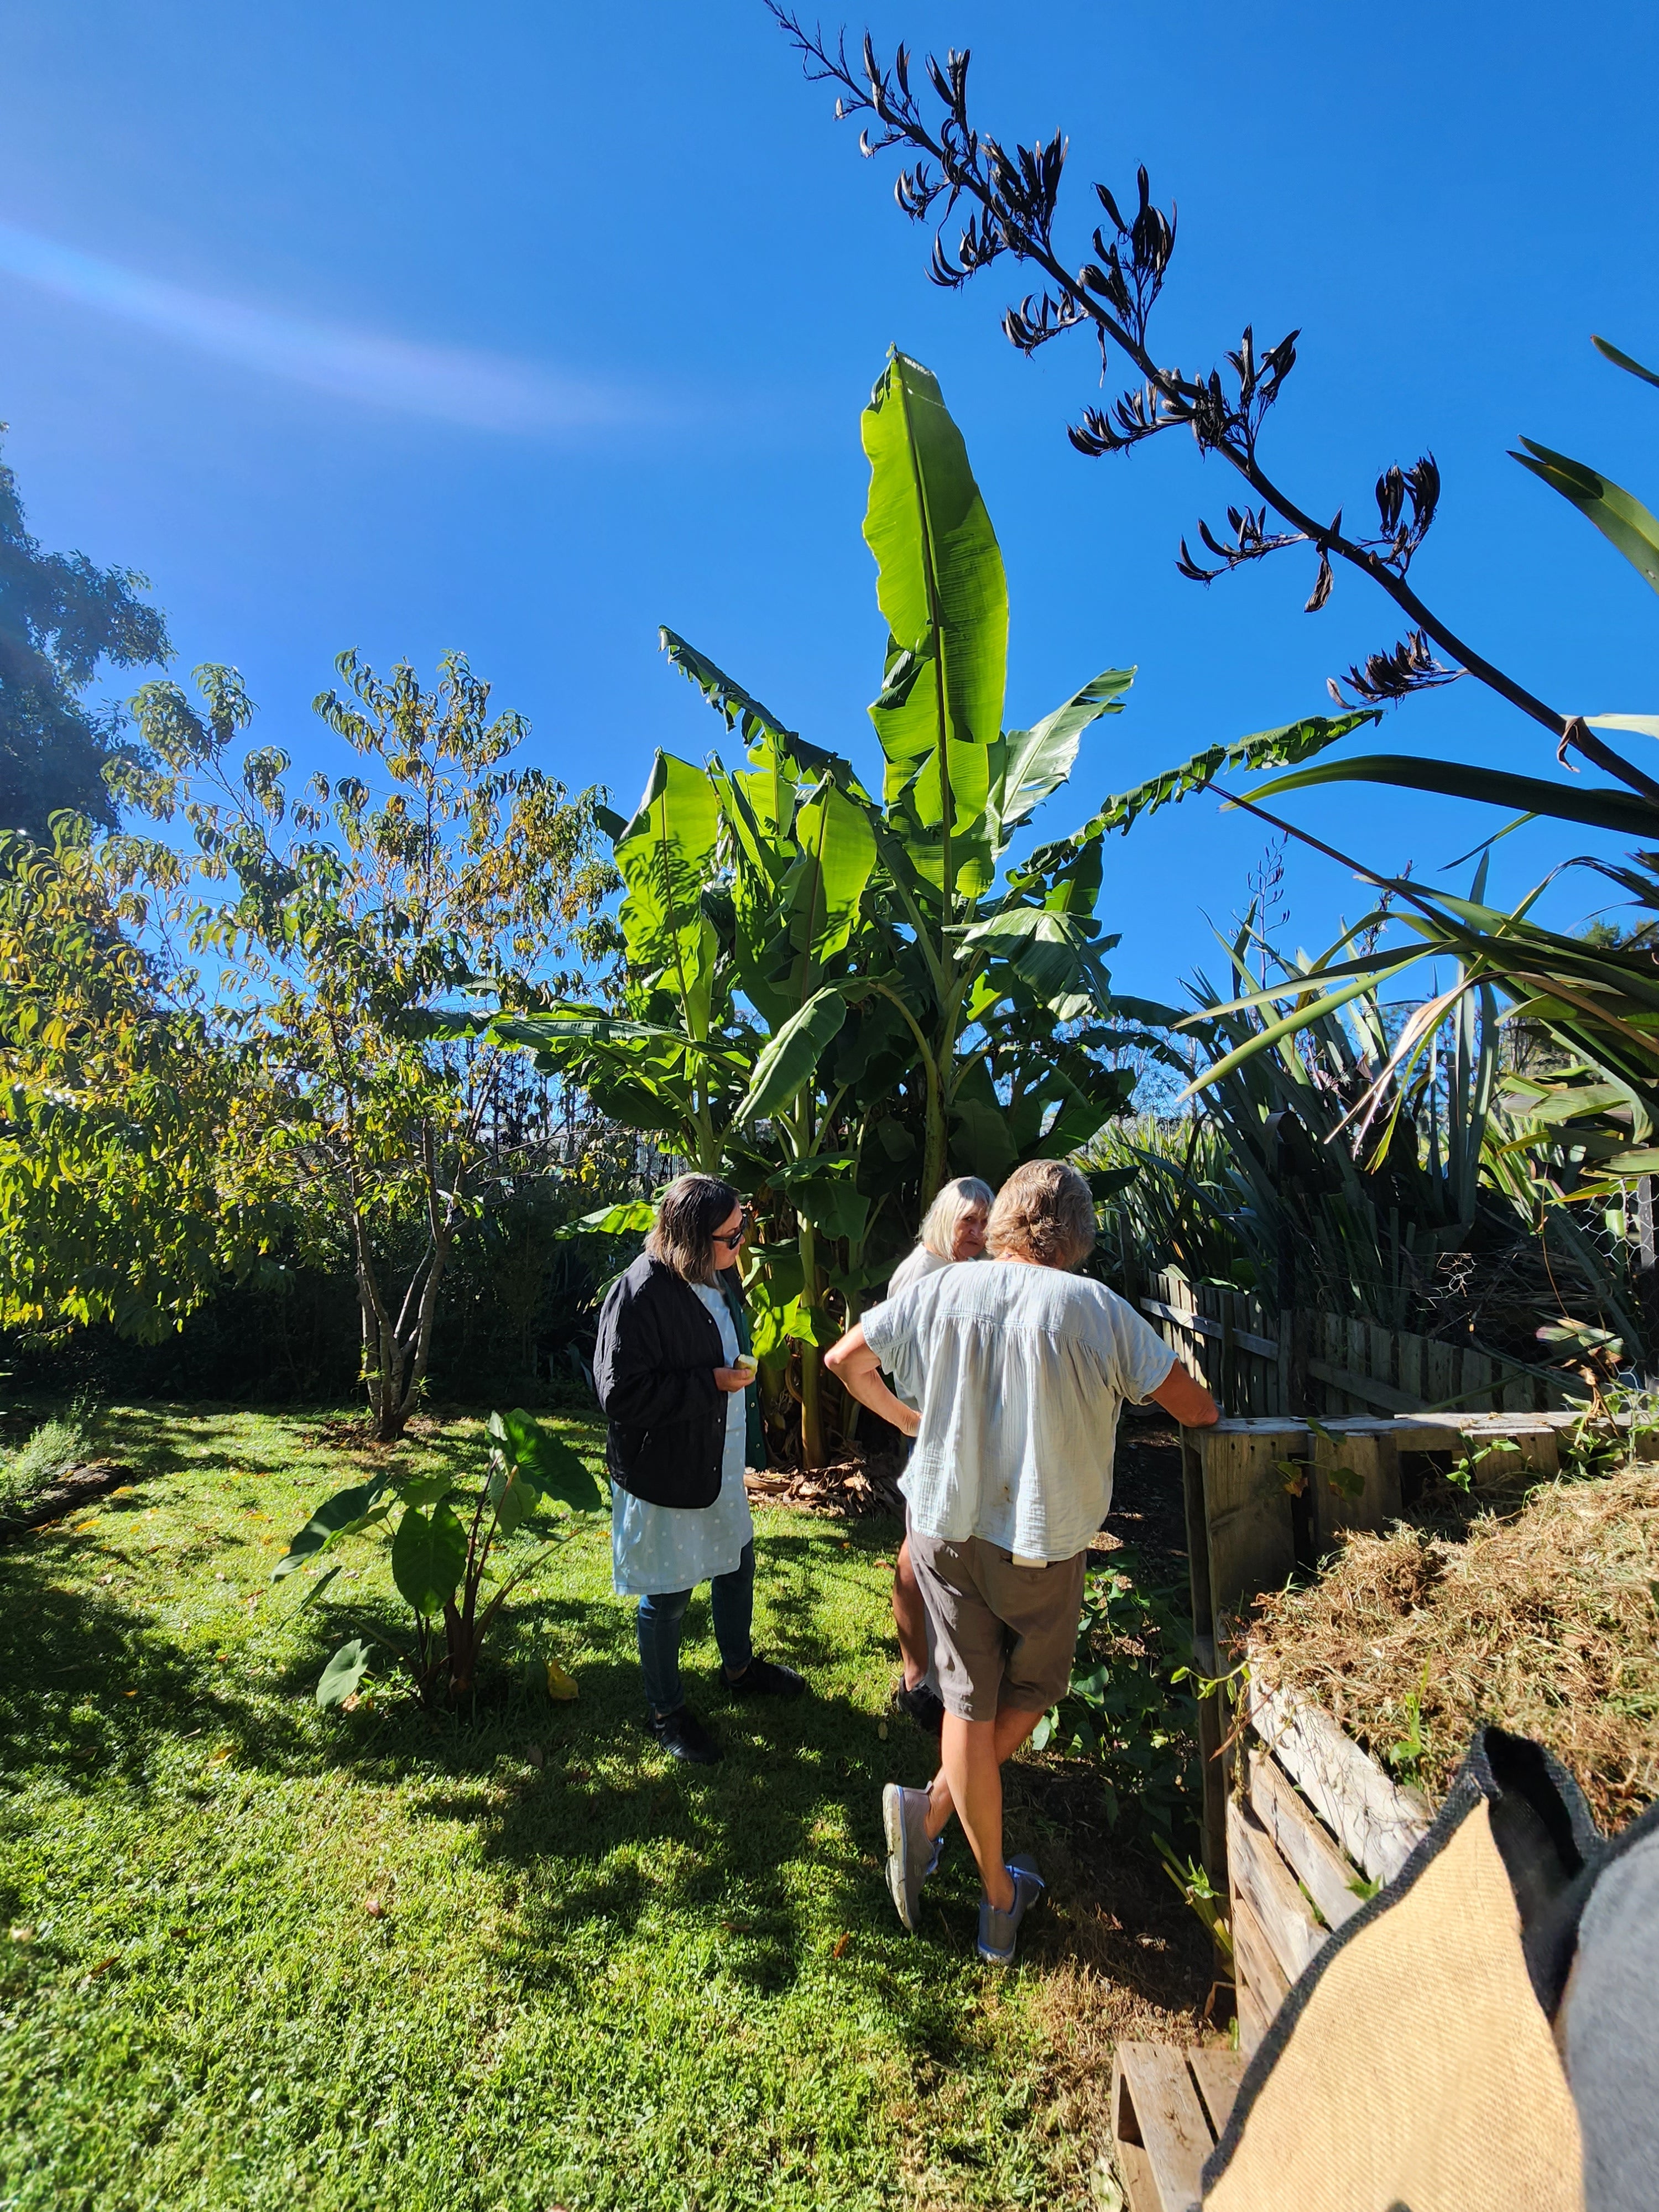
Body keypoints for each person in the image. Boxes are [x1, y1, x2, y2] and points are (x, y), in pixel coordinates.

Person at [826, 1157, 1219, 1964]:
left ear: (1003, 1218)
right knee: (1035, 1686)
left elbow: (843, 1359)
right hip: (1038, 1543)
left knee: (967, 1704)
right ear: (1079, 1232)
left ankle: (984, 1887)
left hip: (941, 1524)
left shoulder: (939, 1289)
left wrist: (907, 1418)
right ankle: (948, 1840)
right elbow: (1195, 1407)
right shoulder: (1096, 1308)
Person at [593, 1173, 807, 1765]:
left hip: (716, 1458)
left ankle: (737, 1668)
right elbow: (620, 1395)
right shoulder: (639, 1293)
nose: (742, 1242)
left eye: (743, 1229)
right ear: (691, 1237)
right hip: (665, 1468)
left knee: (737, 1561)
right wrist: (709, 1384)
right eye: (731, 1234)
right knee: (667, 1592)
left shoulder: (716, 1272)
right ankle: (666, 1709)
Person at [881, 1176, 994, 1738]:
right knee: (917, 1551)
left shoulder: (965, 1268)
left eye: (985, 1221)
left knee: (946, 1550)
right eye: (967, 1220)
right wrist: (915, 1417)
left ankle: (942, 1669)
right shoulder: (921, 1273)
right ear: (945, 1217)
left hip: (961, 1431)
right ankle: (914, 1678)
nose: (977, 1232)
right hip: (928, 1431)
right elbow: (886, 1359)